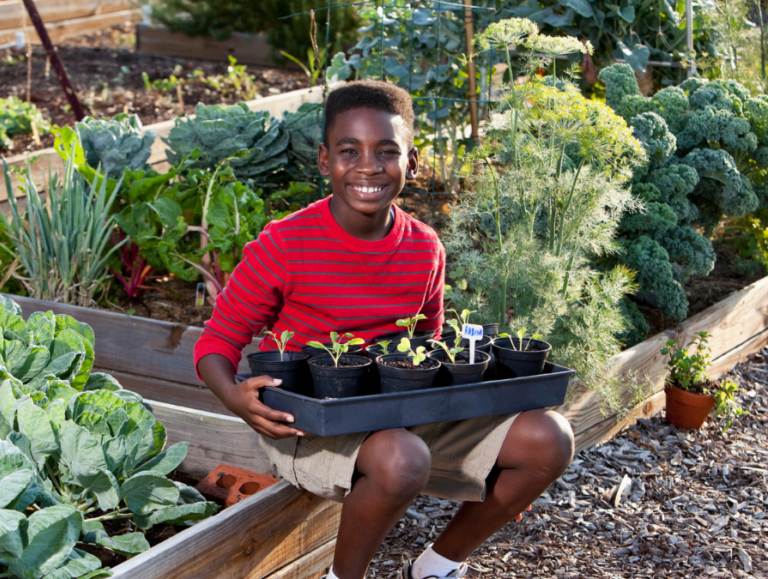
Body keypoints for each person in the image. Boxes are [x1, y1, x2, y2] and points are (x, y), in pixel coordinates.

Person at [193, 80, 574, 579]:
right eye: (349, 150)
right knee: (402, 457)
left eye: (387, 151)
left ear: (412, 163)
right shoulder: (285, 244)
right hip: (313, 427)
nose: (368, 165)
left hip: (401, 417)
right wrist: (234, 398)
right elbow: (216, 342)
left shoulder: (424, 247)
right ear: (325, 159)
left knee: (549, 438)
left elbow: (427, 349)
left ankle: (437, 567)